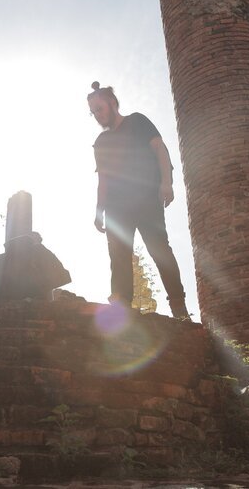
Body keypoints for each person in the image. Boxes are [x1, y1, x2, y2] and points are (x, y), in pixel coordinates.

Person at [88, 81, 189, 320]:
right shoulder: (101, 142)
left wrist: (167, 182)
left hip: (146, 199)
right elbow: (104, 178)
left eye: (99, 109)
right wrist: (98, 209)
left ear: (112, 103)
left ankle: (179, 308)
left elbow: (160, 149)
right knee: (119, 256)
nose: (97, 115)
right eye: (92, 112)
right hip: (115, 207)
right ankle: (122, 308)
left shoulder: (137, 121)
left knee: (159, 250)